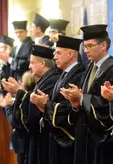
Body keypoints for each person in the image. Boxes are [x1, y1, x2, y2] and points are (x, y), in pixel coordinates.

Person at [60, 24, 113, 164]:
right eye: (85, 46)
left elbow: (110, 106)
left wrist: (82, 98)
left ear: (103, 45)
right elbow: (82, 98)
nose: (86, 51)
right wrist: (76, 103)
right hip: (85, 132)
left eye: (90, 46)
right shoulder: (90, 68)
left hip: (101, 137)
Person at [31, 35, 85, 164]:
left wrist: (47, 104)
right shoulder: (63, 74)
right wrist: (45, 104)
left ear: (71, 54)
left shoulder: (79, 74)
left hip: (70, 138)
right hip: (56, 137)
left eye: (59, 53)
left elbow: (71, 107)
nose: (55, 57)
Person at [1, 45, 60, 164]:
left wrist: (18, 92)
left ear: (43, 63)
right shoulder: (43, 80)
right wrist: (18, 92)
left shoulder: (52, 80)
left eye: (32, 62)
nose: (29, 66)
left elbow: (33, 111)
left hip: (45, 140)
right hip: (37, 139)